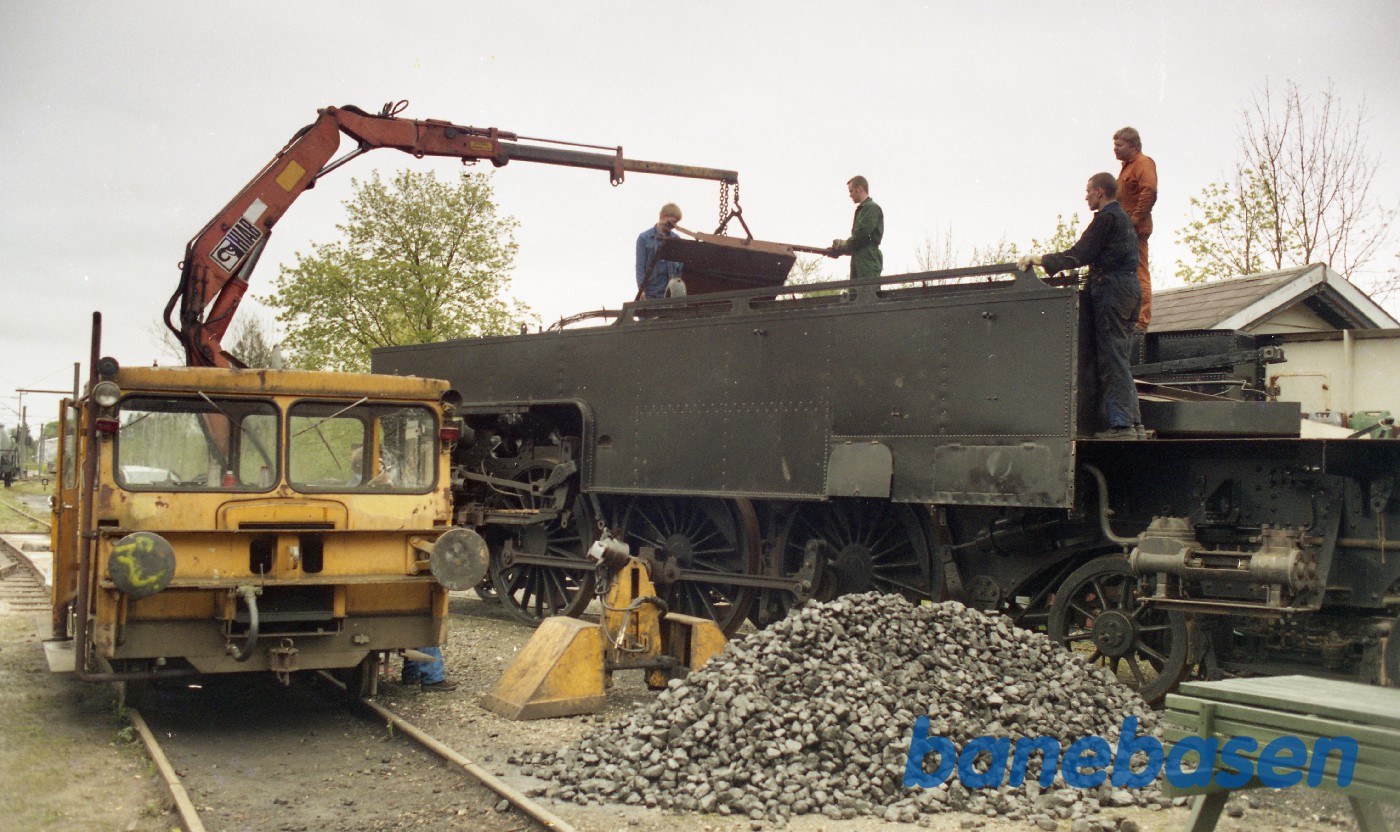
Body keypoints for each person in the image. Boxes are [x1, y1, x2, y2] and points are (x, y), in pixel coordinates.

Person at [1019, 173, 1143, 440]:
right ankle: (1134, 422)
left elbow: (1080, 253)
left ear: (1100, 191)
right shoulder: (1124, 220)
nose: (1086, 196)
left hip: (1112, 290)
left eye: (1088, 191)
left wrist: (1040, 259)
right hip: (1130, 289)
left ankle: (1122, 426)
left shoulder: (1107, 219)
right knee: (1120, 356)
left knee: (1111, 357)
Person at [1113, 127, 1157, 331]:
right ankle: (1130, 315)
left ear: (1133, 145)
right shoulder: (1127, 167)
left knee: (1139, 271)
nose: (1115, 149)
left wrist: (1135, 220)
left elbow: (1149, 191)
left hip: (1135, 229)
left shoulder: (1143, 163)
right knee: (1127, 272)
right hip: (1125, 229)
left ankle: (1141, 319)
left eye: (1119, 145)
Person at [828, 176, 884, 278]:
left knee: (866, 291)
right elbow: (857, 241)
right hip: (859, 260)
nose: (850, 195)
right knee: (855, 292)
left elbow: (861, 235)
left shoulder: (871, 208)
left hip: (868, 260)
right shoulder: (863, 209)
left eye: (851, 191)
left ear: (859, 189)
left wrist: (843, 245)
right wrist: (840, 250)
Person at [635, 203, 685, 299]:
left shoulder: (676, 240)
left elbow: (680, 268)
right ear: (663, 216)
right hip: (651, 292)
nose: (673, 226)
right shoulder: (644, 238)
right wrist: (642, 290)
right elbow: (640, 267)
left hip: (671, 293)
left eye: (675, 223)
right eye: (671, 222)